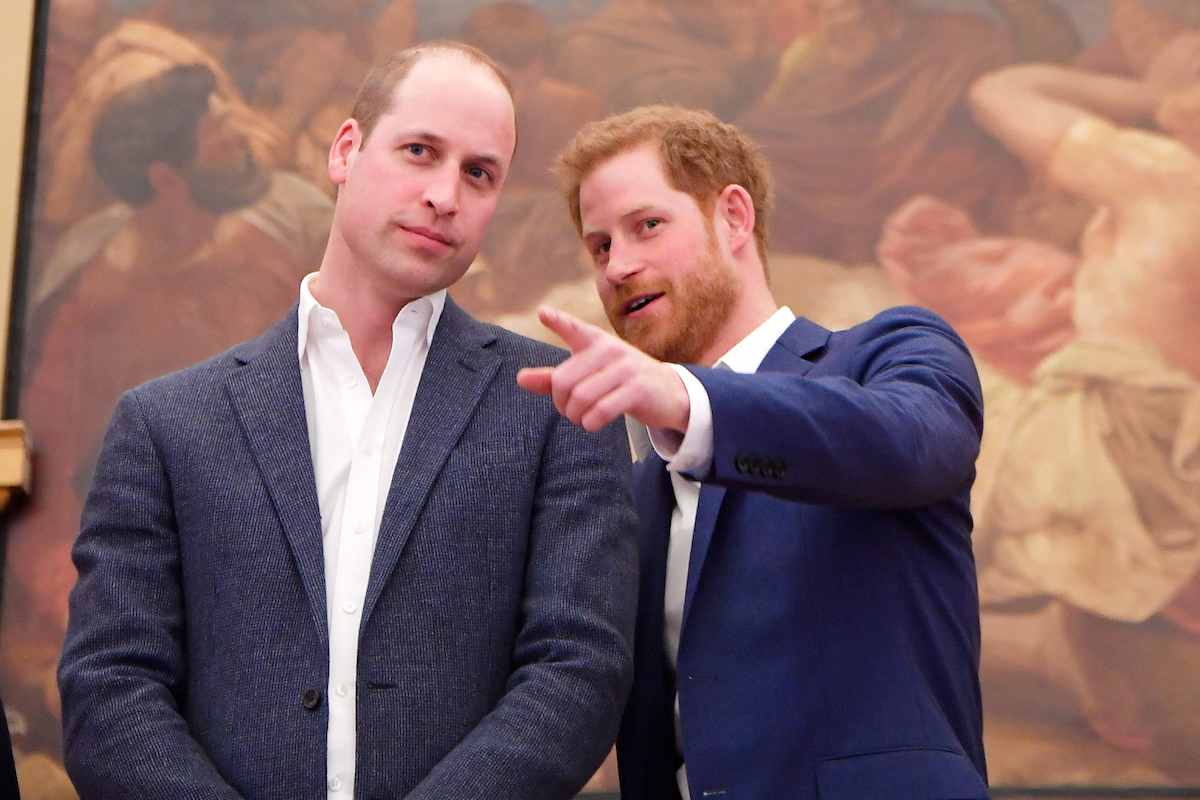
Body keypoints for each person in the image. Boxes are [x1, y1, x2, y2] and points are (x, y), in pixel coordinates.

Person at [57, 41, 637, 800]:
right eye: (420, 151)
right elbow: (111, 688)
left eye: (479, 173)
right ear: (345, 150)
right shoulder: (165, 424)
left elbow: (577, 671)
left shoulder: (557, 405)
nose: (445, 195)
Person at [517, 104, 988, 799]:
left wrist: (689, 401)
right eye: (600, 246)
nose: (618, 266)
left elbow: (911, 443)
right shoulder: (632, 494)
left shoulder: (890, 354)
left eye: (647, 226)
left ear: (734, 217)